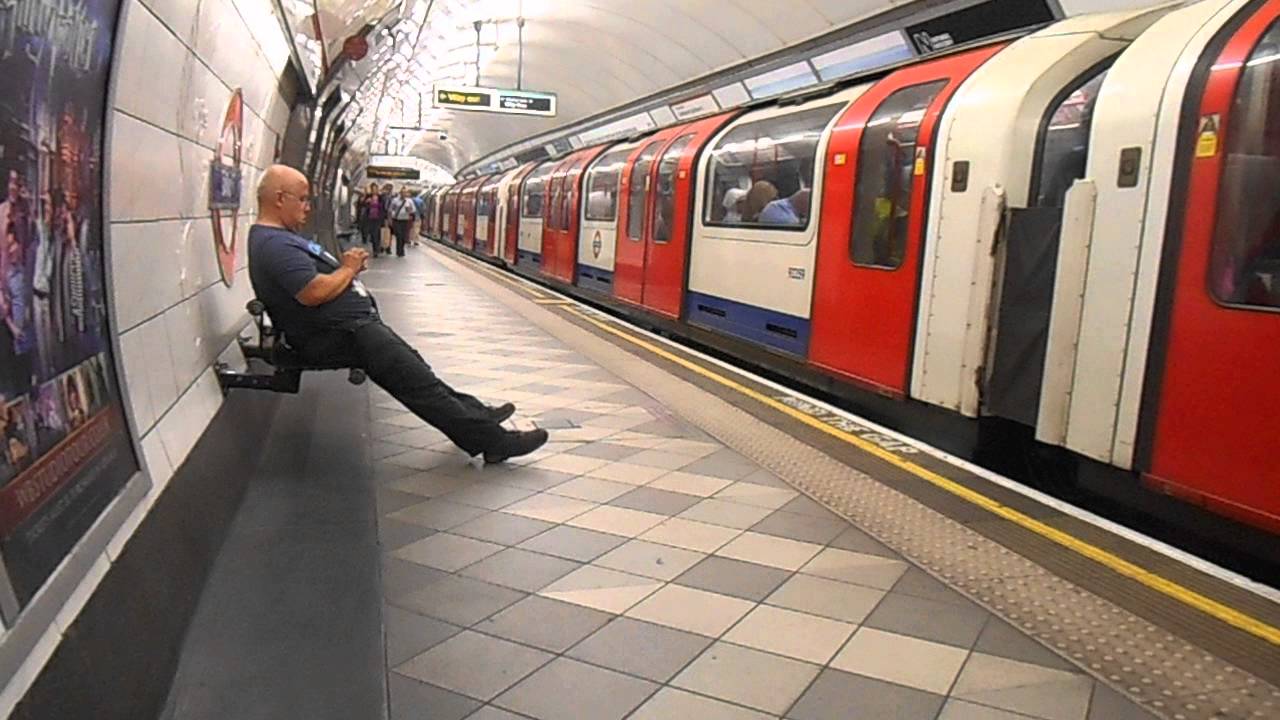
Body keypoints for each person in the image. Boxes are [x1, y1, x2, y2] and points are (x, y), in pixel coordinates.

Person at [247, 165, 547, 463]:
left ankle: (477, 415)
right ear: (278, 198)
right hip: (337, 335)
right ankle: (495, 442)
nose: (307, 207)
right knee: (417, 384)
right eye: (301, 199)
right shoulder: (275, 245)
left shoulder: (279, 239)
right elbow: (312, 293)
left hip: (351, 329)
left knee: (417, 371)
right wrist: (348, 269)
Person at [387, 187, 417, 257]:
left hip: (405, 220)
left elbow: (413, 210)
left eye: (405, 193)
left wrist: (409, 210)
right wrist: (390, 220)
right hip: (396, 220)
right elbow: (390, 210)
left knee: (403, 236)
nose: (404, 194)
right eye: (402, 193)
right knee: (399, 235)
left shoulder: (409, 201)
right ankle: (399, 251)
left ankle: (401, 249)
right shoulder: (395, 200)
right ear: (400, 193)